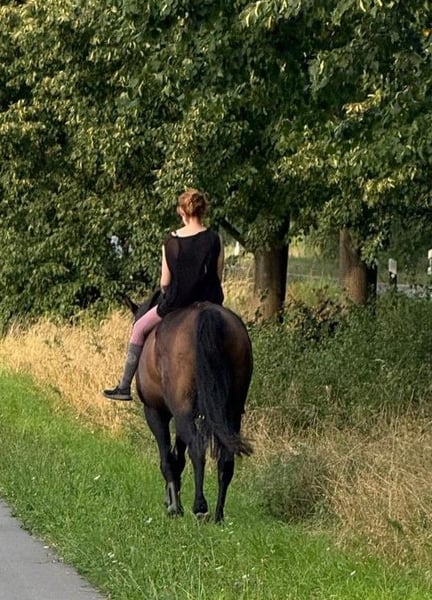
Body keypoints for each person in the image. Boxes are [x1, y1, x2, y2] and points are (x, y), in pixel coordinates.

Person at [103, 188, 224, 401]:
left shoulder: (171, 241)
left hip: (177, 303)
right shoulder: (215, 239)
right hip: (210, 303)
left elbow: (165, 282)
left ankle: (124, 387)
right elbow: (218, 276)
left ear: (182, 212)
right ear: (202, 210)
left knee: (139, 328)